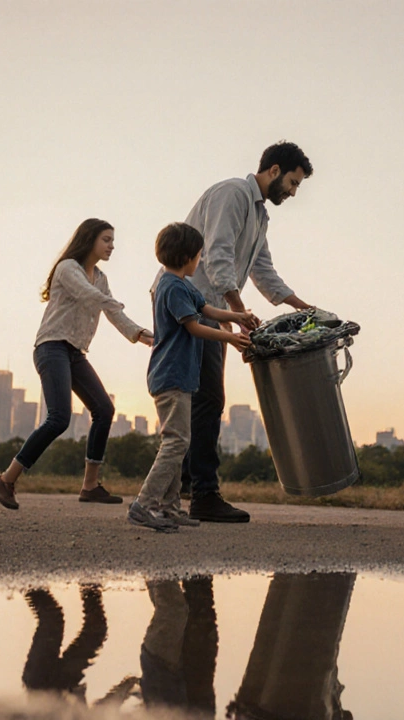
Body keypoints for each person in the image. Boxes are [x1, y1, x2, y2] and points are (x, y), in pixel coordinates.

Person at [154, 141, 315, 523]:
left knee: (200, 401)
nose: (293, 193)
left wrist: (300, 305)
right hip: (188, 302)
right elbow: (217, 254)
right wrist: (238, 311)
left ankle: (177, 490)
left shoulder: (260, 218)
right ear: (274, 170)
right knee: (206, 399)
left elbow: (262, 269)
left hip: (212, 306)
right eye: (293, 183)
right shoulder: (232, 194)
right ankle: (203, 495)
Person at [0, 218, 152, 510]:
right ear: (89, 239)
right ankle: (6, 479)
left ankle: (90, 486)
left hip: (75, 353)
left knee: (104, 409)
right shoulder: (68, 269)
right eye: (106, 240)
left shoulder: (101, 279)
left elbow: (111, 311)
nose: (112, 246)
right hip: (51, 346)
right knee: (59, 418)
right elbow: (88, 295)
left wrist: (141, 335)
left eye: (113, 241)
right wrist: (114, 304)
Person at [129, 222, 256, 532]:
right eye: (199, 255)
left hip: (180, 377)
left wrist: (237, 316)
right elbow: (194, 326)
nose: (200, 261)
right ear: (188, 257)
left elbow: (208, 311)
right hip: (170, 375)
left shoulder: (184, 286)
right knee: (175, 442)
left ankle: (170, 509)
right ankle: (143, 504)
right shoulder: (171, 287)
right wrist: (229, 339)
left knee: (179, 441)